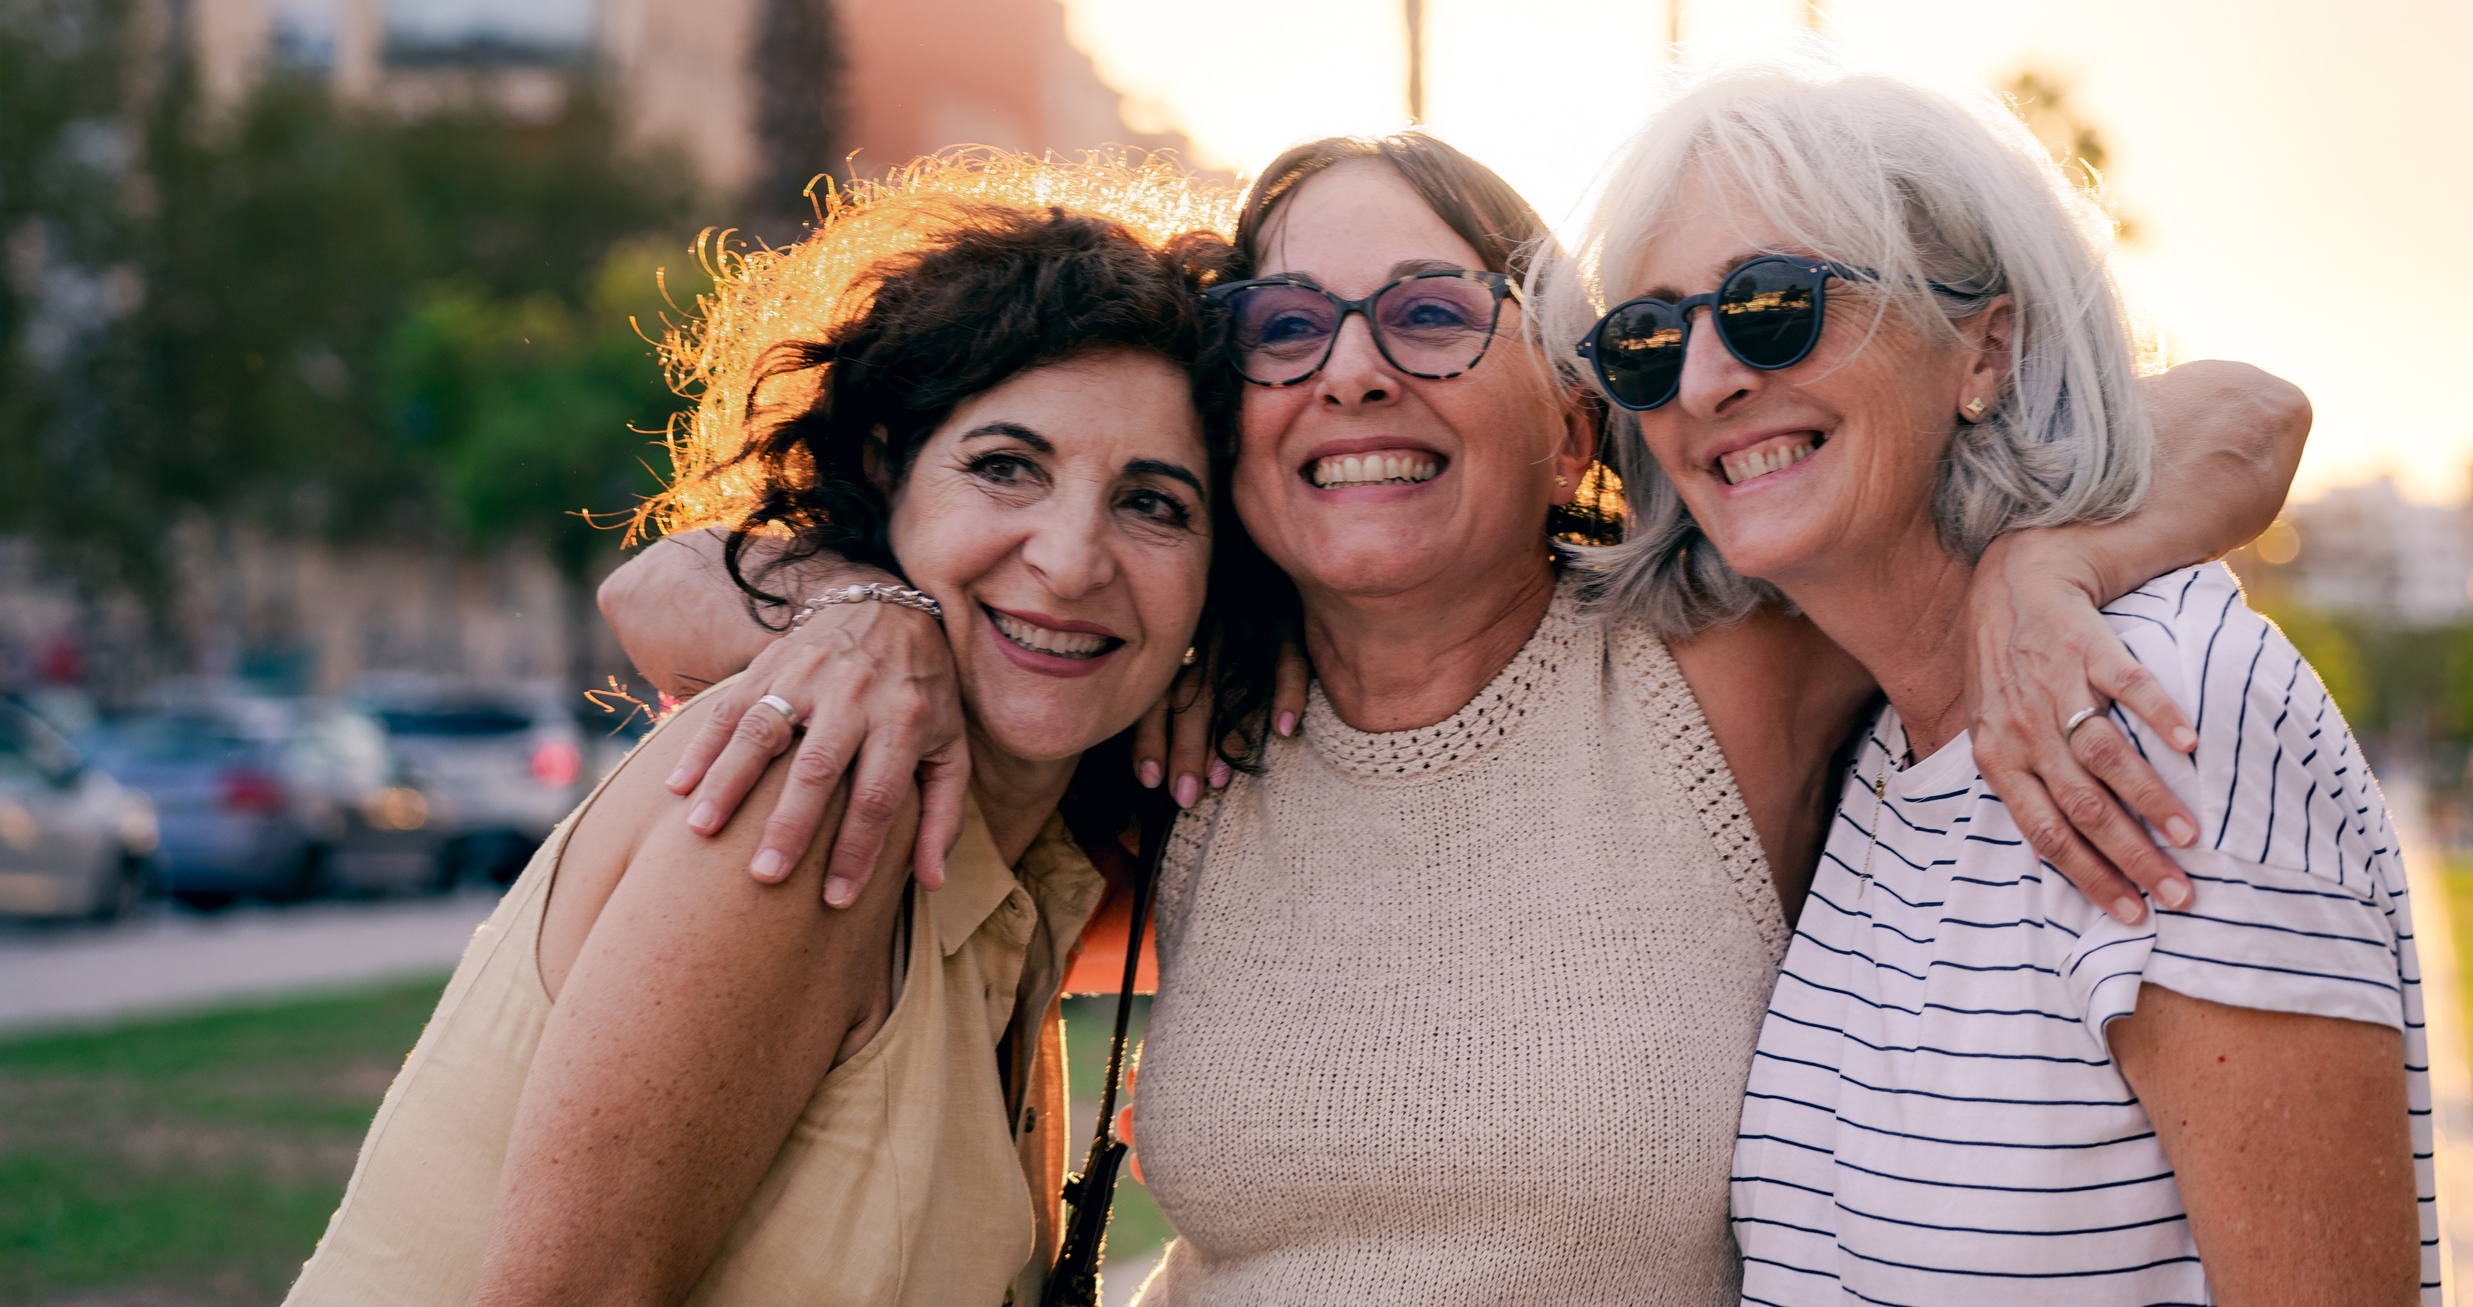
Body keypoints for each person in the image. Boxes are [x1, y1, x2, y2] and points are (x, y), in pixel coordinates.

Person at [607, 133, 2308, 1306]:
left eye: (1429, 312)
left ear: (1579, 410)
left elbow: (2247, 412)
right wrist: (876, 620)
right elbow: (662, 592)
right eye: (1280, 328)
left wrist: (2045, 565)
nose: (1351, 371)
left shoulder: (1730, 666)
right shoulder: (1179, 721)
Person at [290, 173, 1271, 1307]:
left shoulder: (1028, 877)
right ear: (883, 473)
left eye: (1154, 504)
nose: (1070, 557)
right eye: (1005, 467)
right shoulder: (809, 790)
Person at [1558, 65, 2433, 1305]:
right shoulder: (1876, 748)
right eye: (1645, 340)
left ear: (1986, 344)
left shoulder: (2153, 708)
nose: (1704, 383)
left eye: (1772, 305)